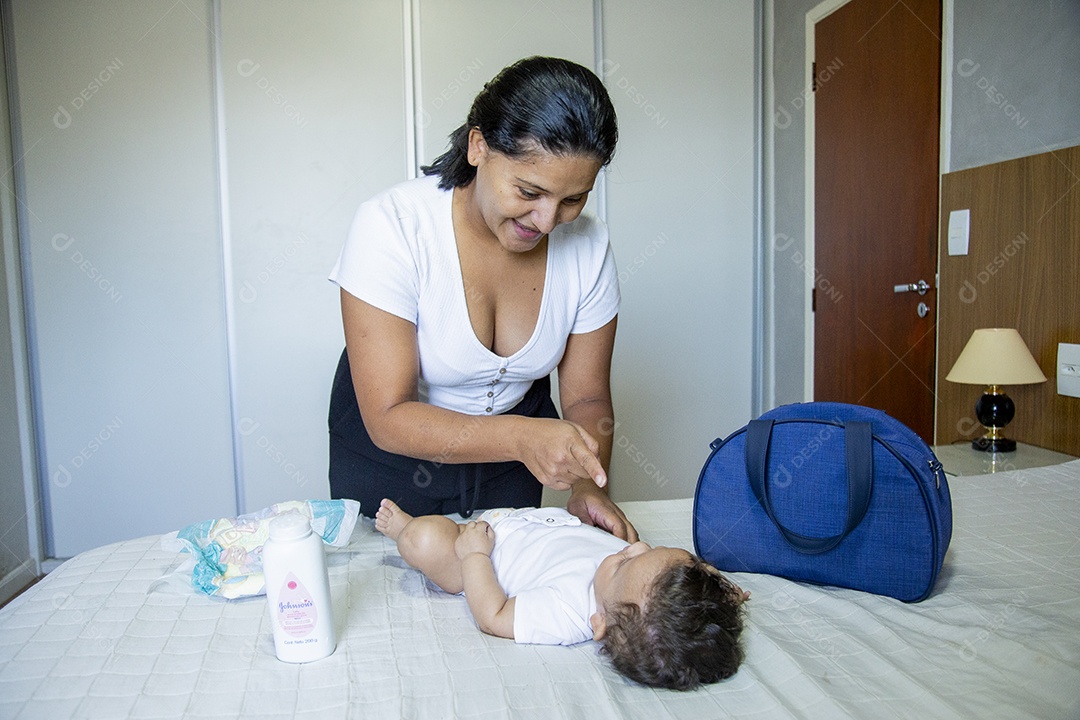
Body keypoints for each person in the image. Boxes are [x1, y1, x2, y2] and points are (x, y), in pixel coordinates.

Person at [328, 56, 636, 541]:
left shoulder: (589, 245)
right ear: (478, 147)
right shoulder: (392, 227)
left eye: (573, 199)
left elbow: (588, 396)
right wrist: (523, 437)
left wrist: (587, 486)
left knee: (497, 594)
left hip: (510, 465)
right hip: (393, 466)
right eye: (529, 190)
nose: (548, 220)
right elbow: (388, 416)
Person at [374, 499, 749, 690]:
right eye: (650, 551)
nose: (637, 545)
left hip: (479, 552)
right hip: (519, 521)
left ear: (598, 624)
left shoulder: (569, 613)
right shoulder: (637, 585)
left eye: (623, 563)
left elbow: (494, 615)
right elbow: (689, 573)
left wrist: (473, 555)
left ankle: (404, 532)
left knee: (424, 540)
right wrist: (716, 593)